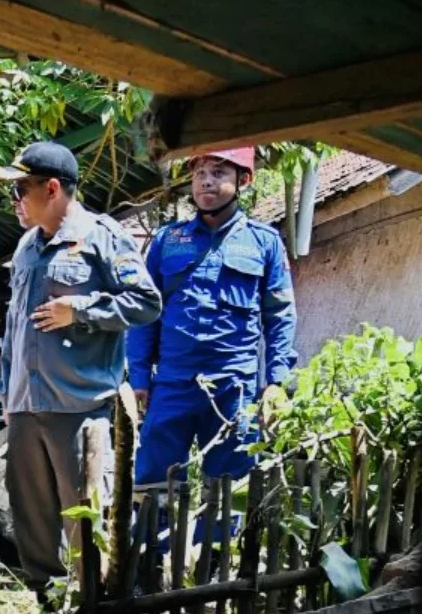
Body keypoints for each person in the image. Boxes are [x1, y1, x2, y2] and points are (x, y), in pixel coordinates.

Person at [0, 142, 161, 596]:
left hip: (80, 405)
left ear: (52, 188)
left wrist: (80, 309)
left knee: (86, 516)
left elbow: (146, 302)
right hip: (27, 405)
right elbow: (15, 324)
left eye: (21, 189)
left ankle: (95, 598)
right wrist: (7, 393)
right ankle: (46, 596)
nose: (15, 201)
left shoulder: (102, 236)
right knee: (32, 517)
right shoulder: (27, 246)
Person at [126, 147, 296, 540]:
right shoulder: (168, 241)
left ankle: (214, 573)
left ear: (244, 180)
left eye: (218, 171)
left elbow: (281, 316)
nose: (205, 180)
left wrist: (276, 383)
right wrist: (138, 376)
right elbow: (145, 312)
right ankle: (150, 573)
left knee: (228, 487)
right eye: (199, 171)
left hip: (234, 388)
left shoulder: (264, 243)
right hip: (172, 385)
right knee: (155, 482)